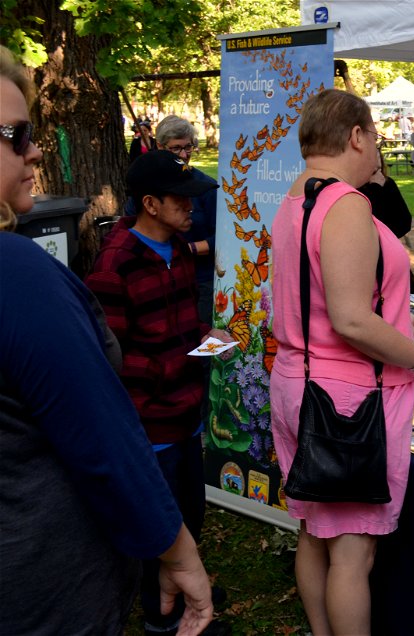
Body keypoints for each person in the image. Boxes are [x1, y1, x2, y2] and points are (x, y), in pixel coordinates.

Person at [0, 45, 212, 636]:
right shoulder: (22, 273)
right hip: (43, 594)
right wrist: (177, 553)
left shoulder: (179, 255)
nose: (35, 150)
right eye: (15, 135)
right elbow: (97, 424)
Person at [269, 89, 414, 636]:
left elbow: (324, 297)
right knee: (353, 556)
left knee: (314, 531)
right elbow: (352, 319)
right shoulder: (345, 204)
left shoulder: (296, 196)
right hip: (346, 402)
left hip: (300, 382)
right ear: (355, 135)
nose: (377, 146)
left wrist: (396, 321)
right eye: (374, 135)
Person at [86, 150, 230, 635]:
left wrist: (209, 338)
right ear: (150, 203)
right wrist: (176, 365)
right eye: (181, 199)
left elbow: (183, 324)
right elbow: (111, 357)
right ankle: (161, 614)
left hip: (187, 417)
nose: (192, 208)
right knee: (158, 524)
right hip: (150, 427)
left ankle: (189, 584)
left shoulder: (183, 252)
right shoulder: (116, 265)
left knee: (190, 512)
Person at [124, 115, 218, 323]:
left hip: (199, 279)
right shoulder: (144, 186)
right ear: (159, 146)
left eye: (189, 147)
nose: (184, 155)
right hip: (155, 279)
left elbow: (221, 238)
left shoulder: (206, 187)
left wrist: (185, 251)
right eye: (176, 149)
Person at [358, 150, 414, 291]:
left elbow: (404, 222)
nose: (376, 159)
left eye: (378, 155)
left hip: (390, 254)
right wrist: (376, 188)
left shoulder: (388, 184)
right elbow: (369, 222)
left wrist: (387, 234)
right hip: (366, 261)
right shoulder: (355, 188)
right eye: (372, 154)